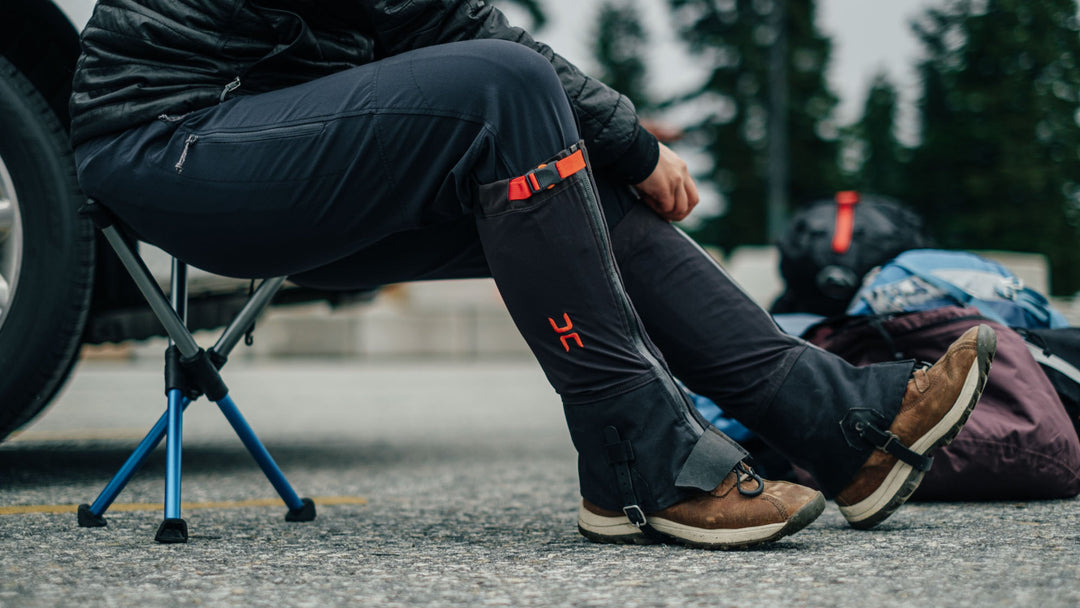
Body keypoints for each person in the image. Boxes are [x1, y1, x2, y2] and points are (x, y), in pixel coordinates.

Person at [69, 0, 996, 549]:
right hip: (174, 140)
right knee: (505, 89)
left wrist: (614, 150)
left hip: (269, 142)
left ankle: (837, 426)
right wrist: (632, 139)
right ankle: (637, 457)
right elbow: (456, 31)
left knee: (555, 149)